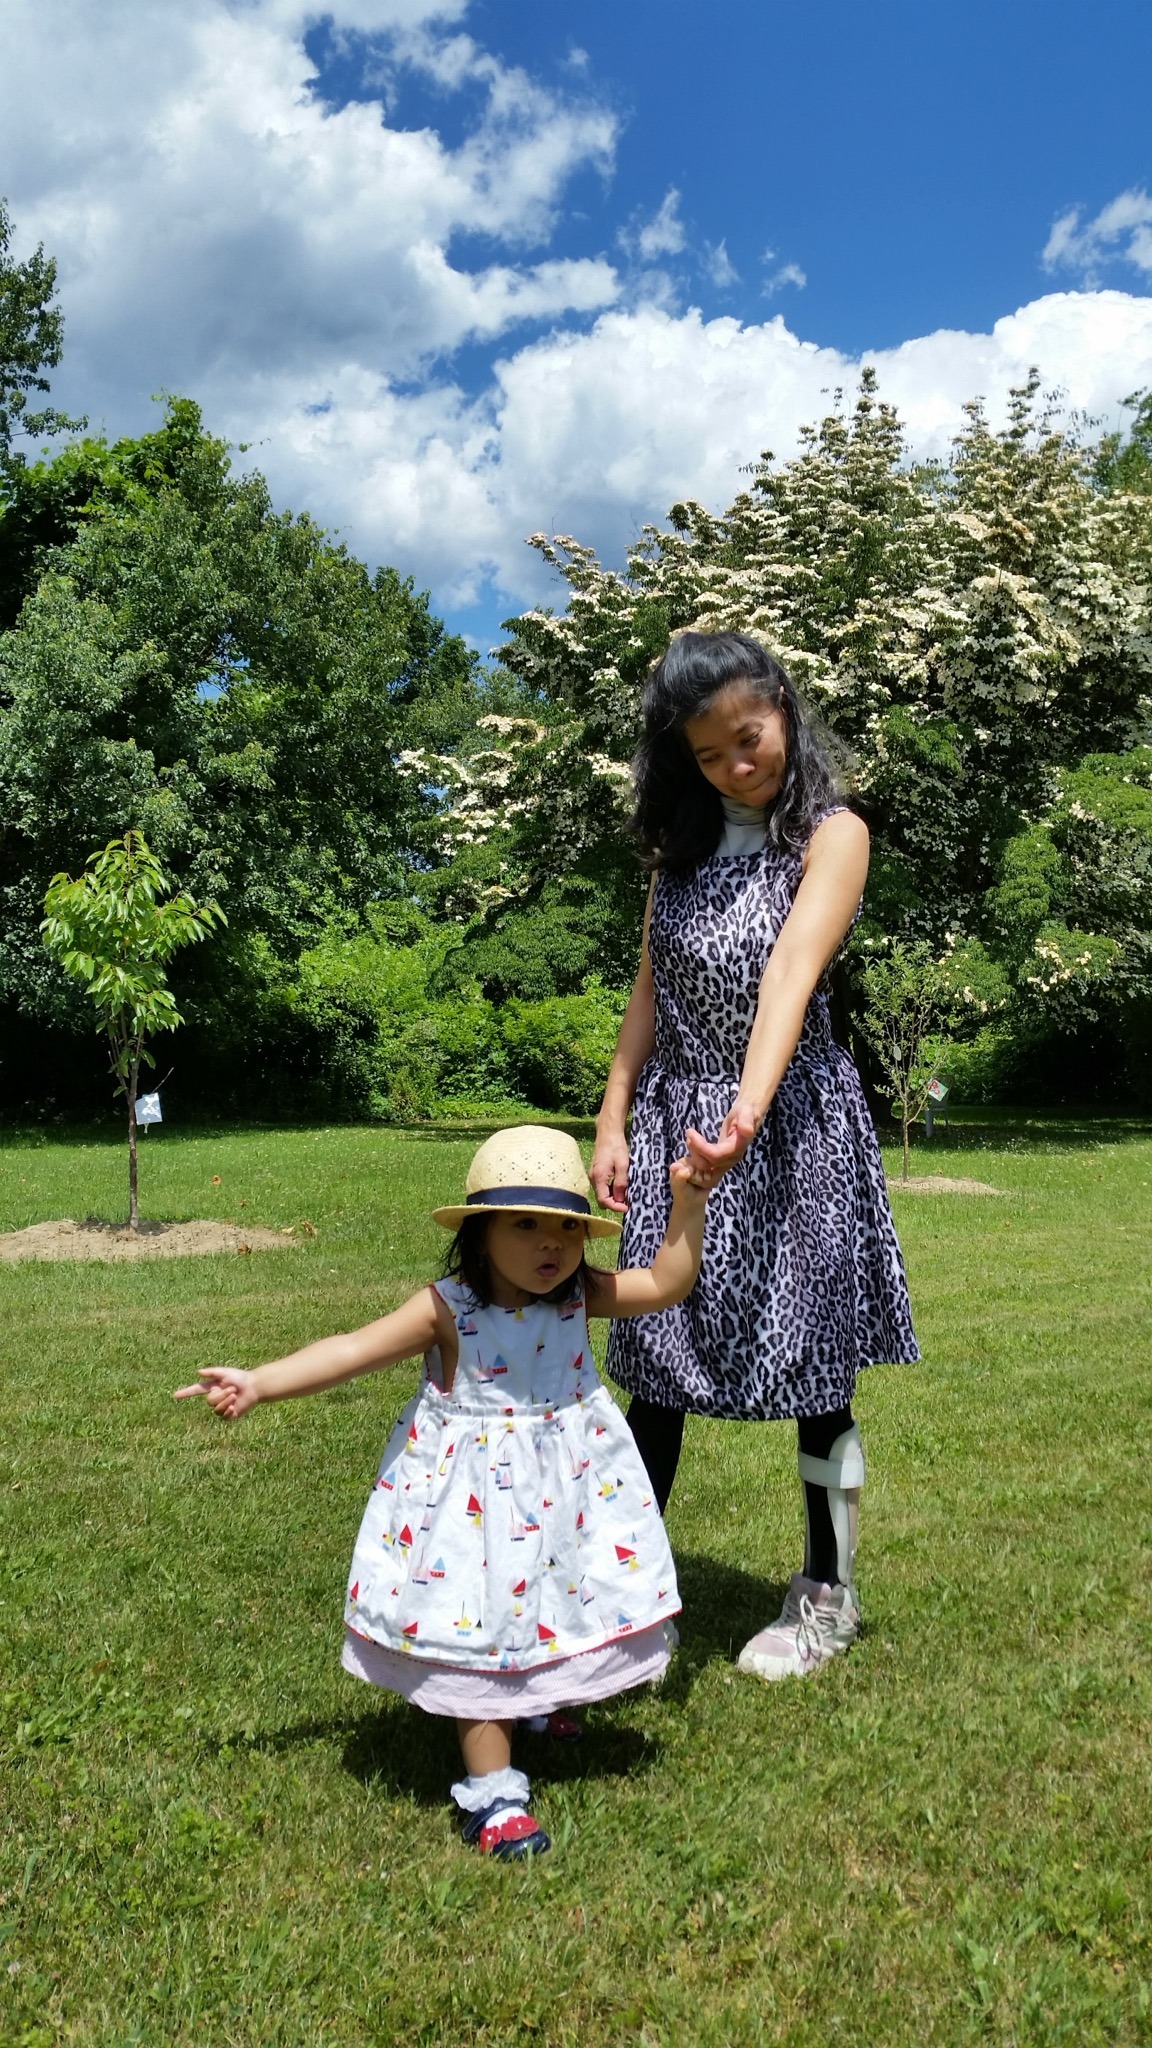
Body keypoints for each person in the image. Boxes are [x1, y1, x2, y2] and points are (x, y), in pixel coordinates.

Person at [175, 1126, 710, 1861]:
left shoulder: (579, 1295)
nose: (551, 1245)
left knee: (564, 1593)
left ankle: (544, 1698)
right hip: (477, 1505)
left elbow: (666, 1283)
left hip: (571, 1491)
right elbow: (354, 1349)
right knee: (482, 1628)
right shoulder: (448, 1309)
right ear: (479, 1234)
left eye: (566, 1228)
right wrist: (260, 1382)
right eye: (525, 1225)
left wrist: (688, 1204)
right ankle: (493, 1792)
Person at [591, 631, 919, 1682]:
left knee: (816, 1370)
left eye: (750, 736)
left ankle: (828, 1593)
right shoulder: (676, 859)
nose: (738, 765)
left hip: (792, 1130)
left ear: (783, 704)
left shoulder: (833, 834)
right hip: (678, 1126)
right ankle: (623, 1593)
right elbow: (647, 997)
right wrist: (612, 1116)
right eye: (710, 754)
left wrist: (744, 1113)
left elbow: (790, 972)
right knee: (657, 1364)